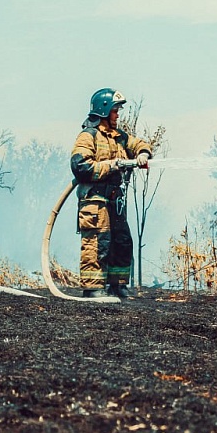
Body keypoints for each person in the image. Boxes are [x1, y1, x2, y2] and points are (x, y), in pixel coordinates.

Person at [70, 88, 152, 298]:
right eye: (115, 110)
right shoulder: (88, 136)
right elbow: (80, 166)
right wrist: (112, 165)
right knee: (98, 243)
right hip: (95, 202)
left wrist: (142, 153)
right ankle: (93, 288)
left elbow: (139, 144)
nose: (118, 114)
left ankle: (117, 285)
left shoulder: (119, 137)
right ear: (104, 110)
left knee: (122, 242)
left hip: (115, 202)